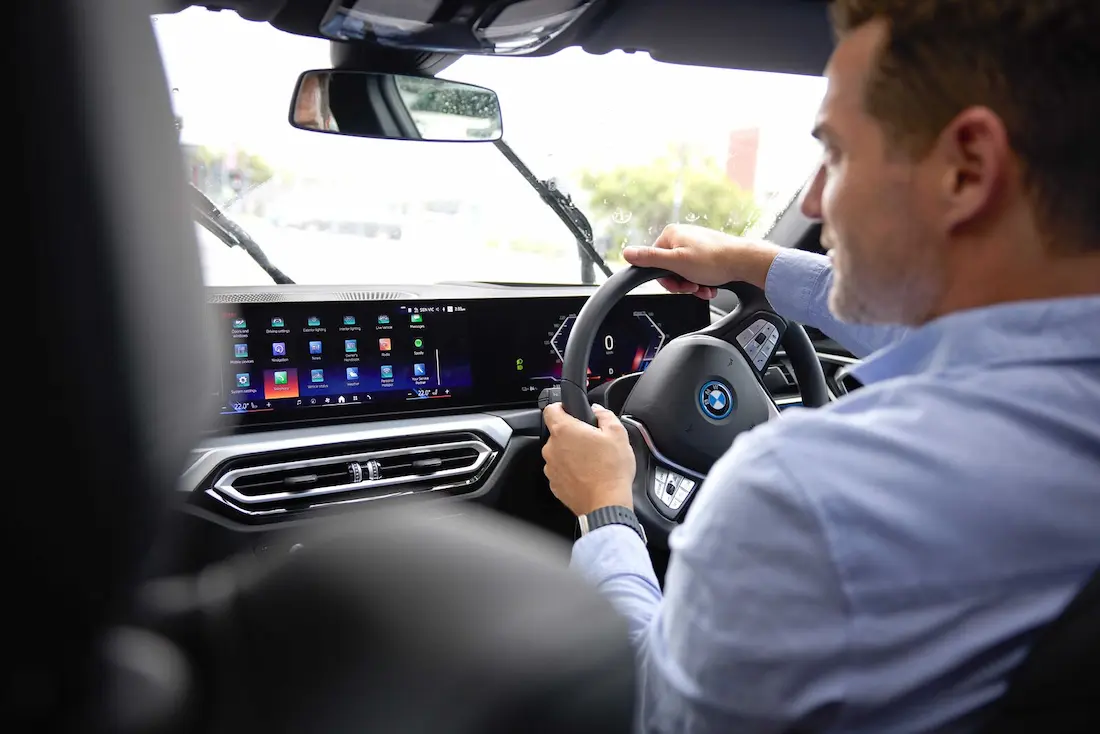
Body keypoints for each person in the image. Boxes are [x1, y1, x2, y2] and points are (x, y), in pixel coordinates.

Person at [540, 1, 1100, 732]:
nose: (809, 199)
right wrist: (751, 261)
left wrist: (605, 510)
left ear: (966, 170)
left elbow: (649, 712)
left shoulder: (805, 497)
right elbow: (939, 330)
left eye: (834, 153)